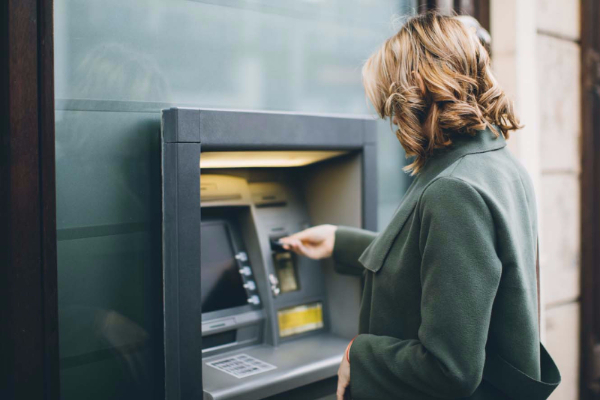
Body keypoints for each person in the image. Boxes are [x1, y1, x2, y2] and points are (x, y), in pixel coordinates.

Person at [279, 11, 560, 400]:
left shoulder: (454, 190)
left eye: (392, 107)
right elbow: (440, 264)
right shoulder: (497, 165)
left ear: (417, 97)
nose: (393, 122)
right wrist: (340, 241)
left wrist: (358, 355)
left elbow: (449, 368)